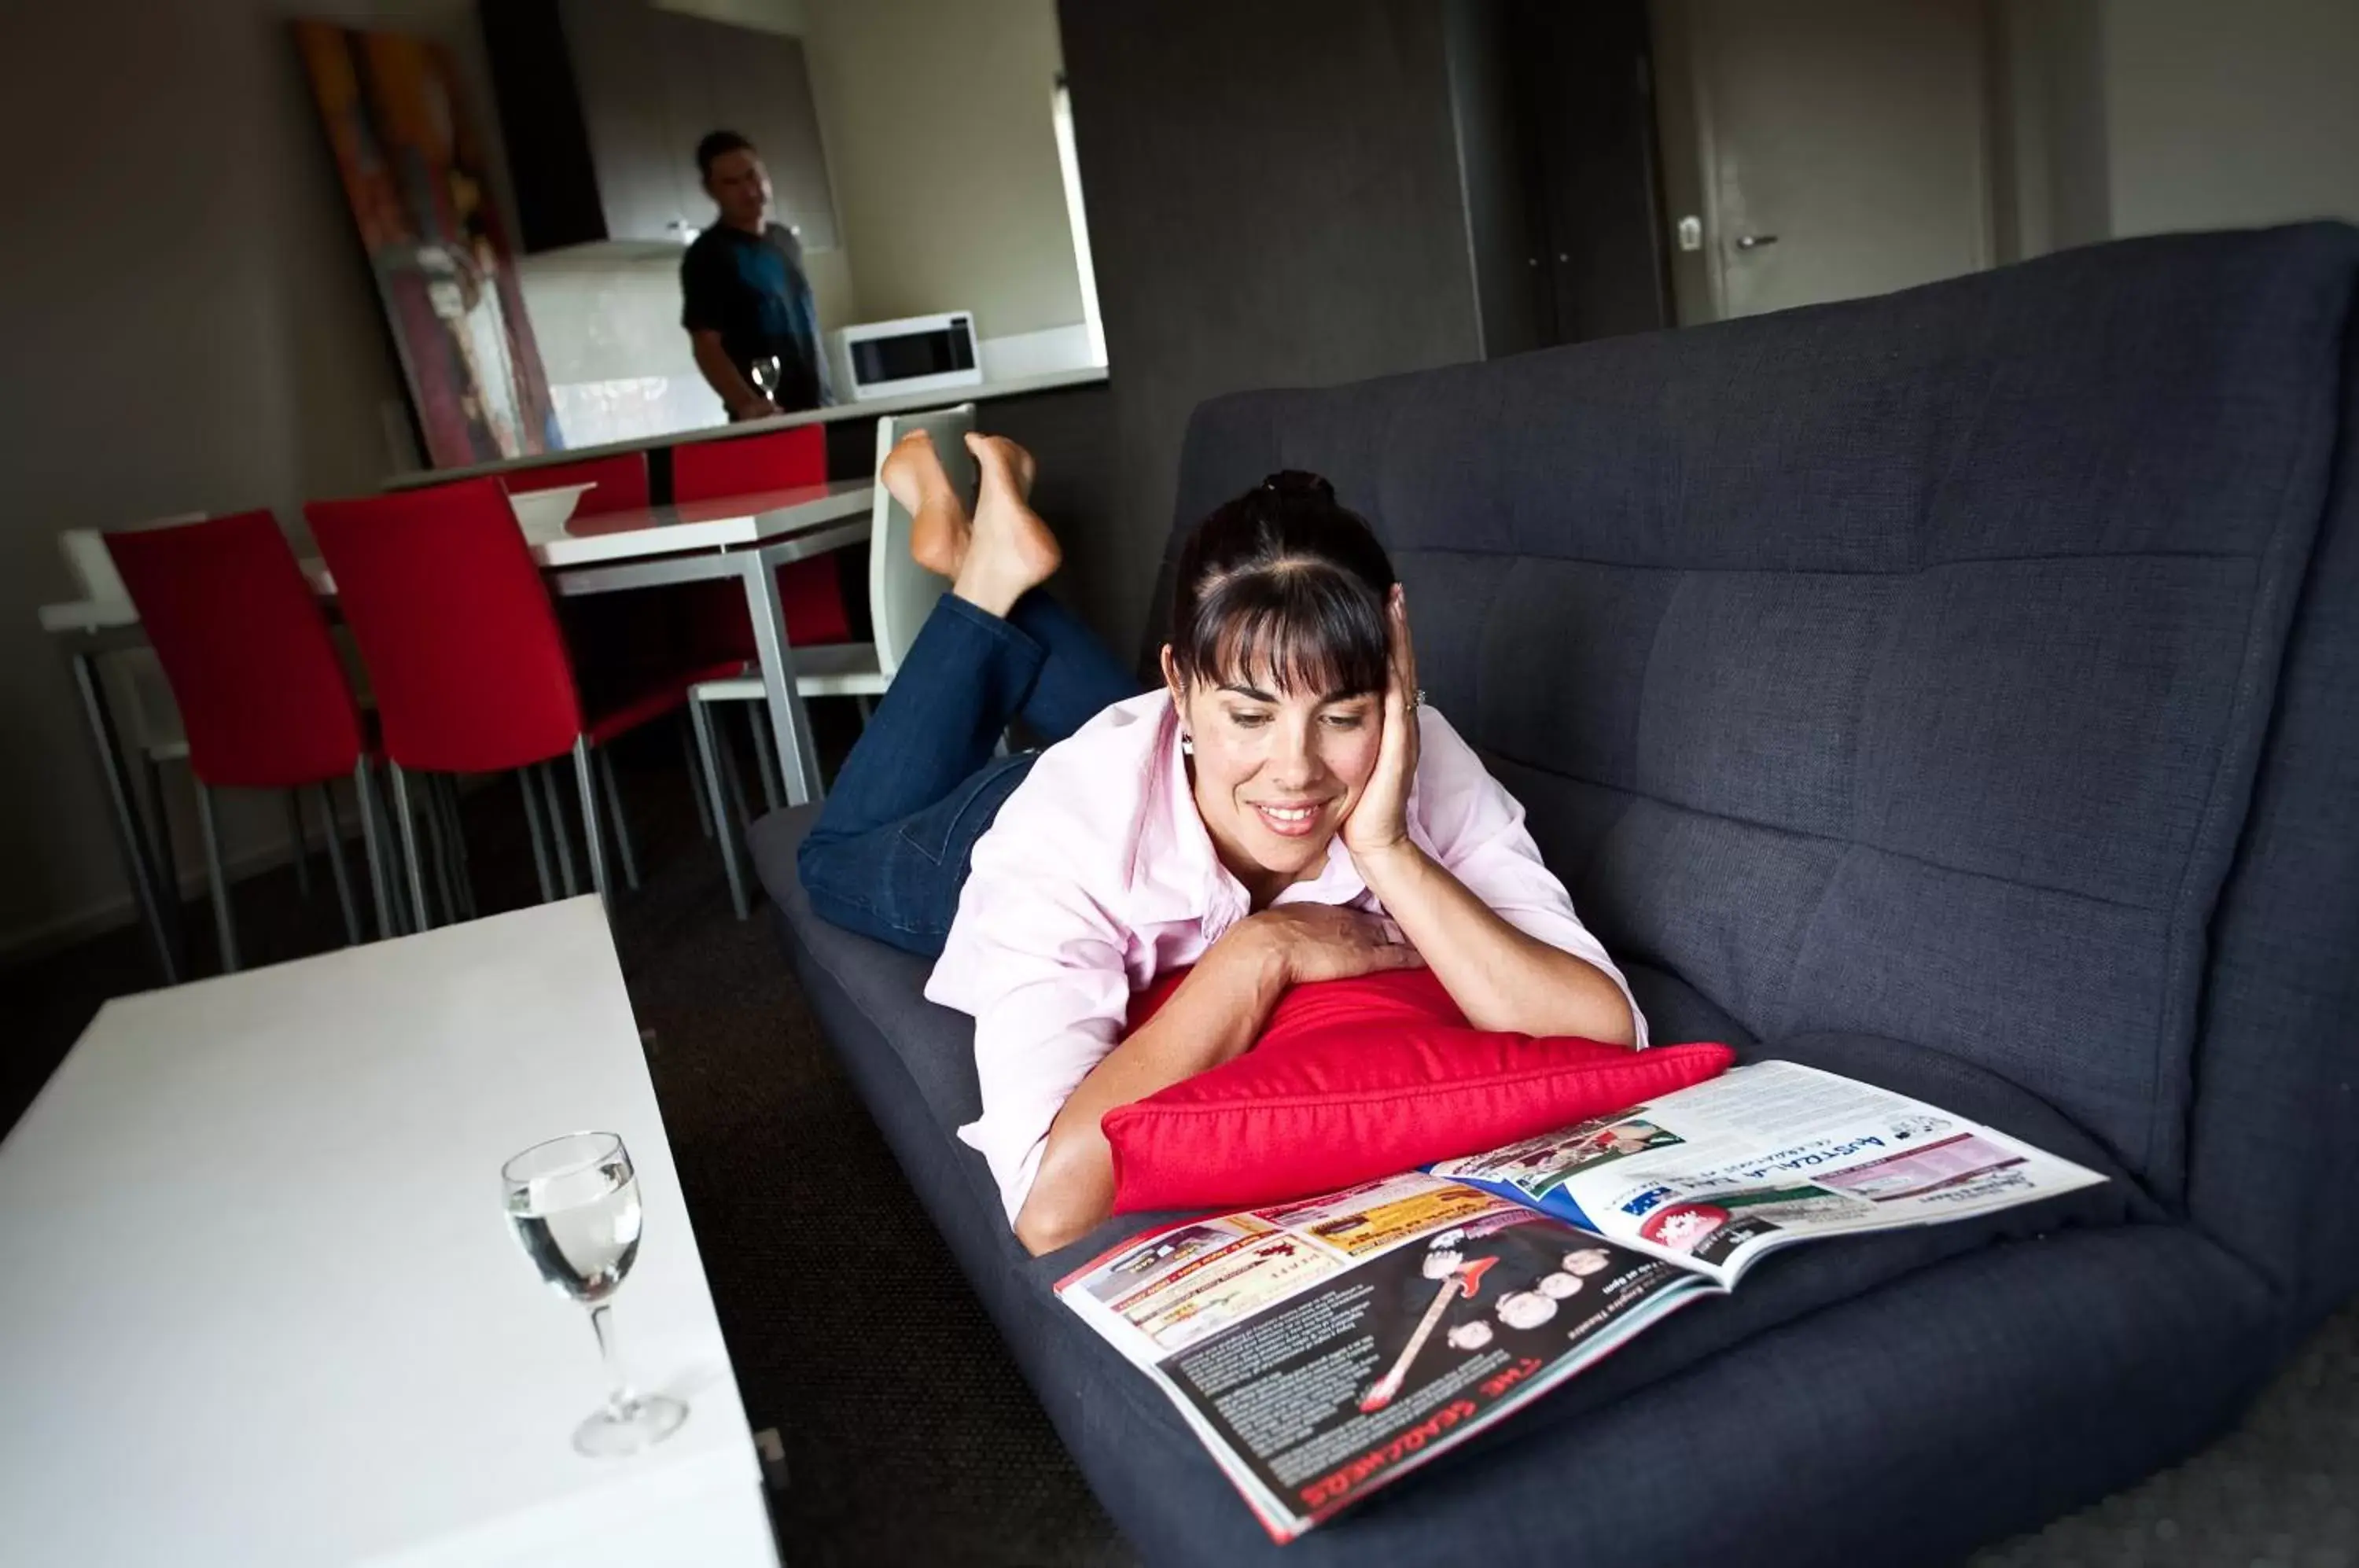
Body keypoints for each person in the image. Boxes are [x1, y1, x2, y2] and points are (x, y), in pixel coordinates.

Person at [797, 434, 1647, 1254]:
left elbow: (1604, 1026)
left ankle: (993, 560)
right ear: (1178, 686)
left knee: (1260, 718)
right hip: (1004, 817)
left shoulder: (1415, 750)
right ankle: (982, 584)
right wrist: (1259, 950)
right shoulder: (1065, 834)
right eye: (1250, 714)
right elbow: (1048, 1202)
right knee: (829, 859)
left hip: (1183, 759)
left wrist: (1387, 847)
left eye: (1344, 715)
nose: (1298, 770)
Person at [679, 130, 831, 421]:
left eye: (752, 176)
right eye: (731, 183)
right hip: (767, 418)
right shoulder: (708, 255)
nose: (749, 190)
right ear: (711, 190)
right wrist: (747, 404)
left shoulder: (785, 240)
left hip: (822, 408)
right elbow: (706, 345)